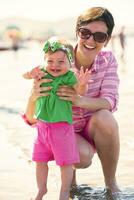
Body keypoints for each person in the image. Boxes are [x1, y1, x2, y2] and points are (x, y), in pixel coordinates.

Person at [23, 6, 120, 198]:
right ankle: (70, 185)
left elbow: (110, 101)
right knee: (81, 157)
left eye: (99, 36)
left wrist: (79, 100)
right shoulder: (58, 61)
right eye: (85, 33)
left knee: (106, 119)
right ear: (77, 32)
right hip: (62, 128)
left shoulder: (108, 60)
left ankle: (111, 184)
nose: (91, 40)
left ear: (107, 40)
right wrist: (33, 96)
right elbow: (31, 117)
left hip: (90, 126)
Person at [22, 36, 91, 200]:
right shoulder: (42, 73)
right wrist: (29, 74)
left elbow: (80, 92)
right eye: (50, 61)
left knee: (65, 163)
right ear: (44, 61)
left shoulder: (68, 77)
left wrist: (82, 83)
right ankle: (41, 189)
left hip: (62, 128)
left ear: (70, 63)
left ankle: (64, 191)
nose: (55, 65)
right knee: (40, 160)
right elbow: (24, 75)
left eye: (61, 61)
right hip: (42, 128)